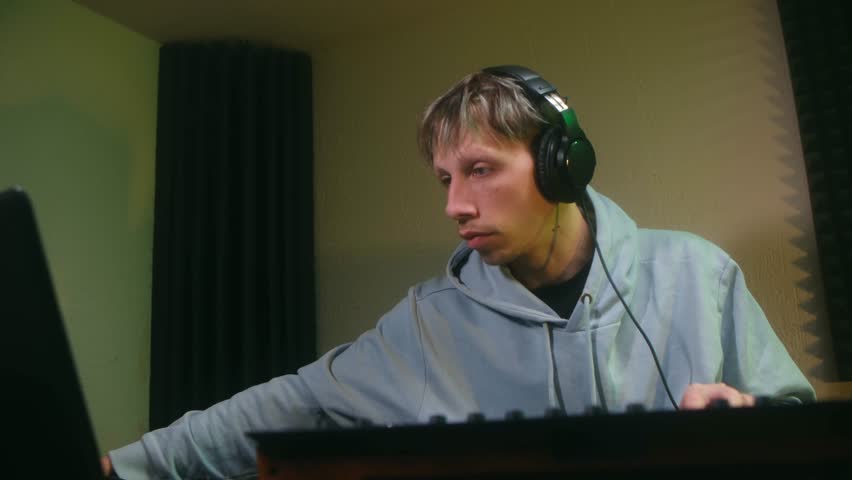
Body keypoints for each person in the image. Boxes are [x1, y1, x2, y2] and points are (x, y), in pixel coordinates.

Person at [102, 65, 815, 479]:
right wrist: (123, 467)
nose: (454, 205)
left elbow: (799, 426)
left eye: (479, 169)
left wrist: (750, 421)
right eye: (445, 178)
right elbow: (290, 404)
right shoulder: (426, 323)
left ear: (561, 165)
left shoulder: (695, 272)